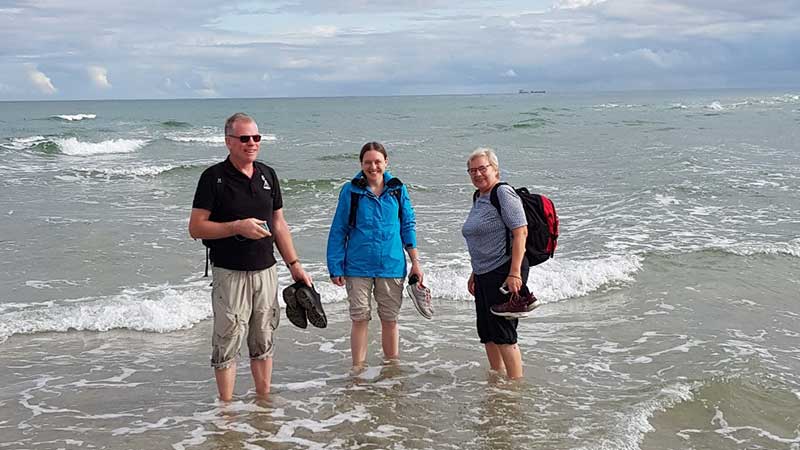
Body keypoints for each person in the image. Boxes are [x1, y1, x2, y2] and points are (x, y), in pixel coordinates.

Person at [189, 112, 312, 401]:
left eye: (256, 137)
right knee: (228, 339)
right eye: (245, 138)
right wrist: (236, 227)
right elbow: (195, 228)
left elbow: (278, 224)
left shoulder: (268, 175)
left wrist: (295, 265)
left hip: (266, 271)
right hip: (229, 272)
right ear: (228, 141)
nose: (252, 143)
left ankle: (263, 403)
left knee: (264, 337)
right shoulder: (213, 178)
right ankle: (226, 411)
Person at [326, 142, 423, 371]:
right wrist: (335, 266)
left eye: (378, 161)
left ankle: (392, 370)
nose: (373, 167)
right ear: (361, 164)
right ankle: (357, 371)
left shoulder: (397, 189)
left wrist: (415, 262)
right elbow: (339, 230)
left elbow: (407, 226)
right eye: (368, 162)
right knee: (359, 318)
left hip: (391, 265)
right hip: (357, 266)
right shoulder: (351, 191)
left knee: (390, 319)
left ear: (386, 162)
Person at [461, 147, 534, 379]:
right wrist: (475, 272)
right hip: (484, 273)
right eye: (472, 170)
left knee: (504, 334)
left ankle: (514, 388)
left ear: (495, 169)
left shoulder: (502, 193)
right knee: (487, 332)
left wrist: (515, 274)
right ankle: (496, 380)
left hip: (504, 270)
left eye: (482, 168)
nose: (477, 174)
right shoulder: (479, 196)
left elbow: (521, 232)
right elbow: (483, 239)